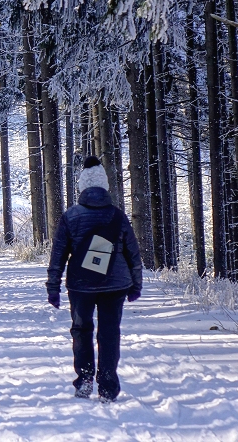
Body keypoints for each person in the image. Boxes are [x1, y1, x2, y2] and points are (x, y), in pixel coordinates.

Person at [46, 156, 142, 403]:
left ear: (82, 187)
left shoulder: (71, 216)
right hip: (115, 284)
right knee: (109, 333)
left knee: (81, 330)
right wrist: (136, 284)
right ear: (105, 187)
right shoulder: (117, 216)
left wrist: (53, 287)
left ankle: (85, 378)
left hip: (81, 285)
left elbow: (58, 255)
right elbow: (132, 252)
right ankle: (108, 384)